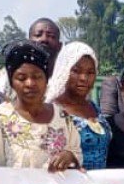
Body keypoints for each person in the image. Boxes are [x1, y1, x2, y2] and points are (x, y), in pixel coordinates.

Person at [0, 41, 82, 170]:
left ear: (46, 79)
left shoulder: (62, 117)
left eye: (37, 76)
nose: (30, 83)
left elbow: (77, 155)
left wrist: (70, 157)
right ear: (11, 82)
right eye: (21, 78)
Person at [47, 41, 110, 170]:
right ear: (64, 71)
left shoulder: (95, 108)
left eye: (90, 72)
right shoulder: (52, 111)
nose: (84, 78)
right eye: (76, 71)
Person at [0, 18, 63, 101]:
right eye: (38, 35)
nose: (44, 39)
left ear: (59, 46)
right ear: (29, 41)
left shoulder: (65, 78)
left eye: (51, 36)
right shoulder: (9, 75)